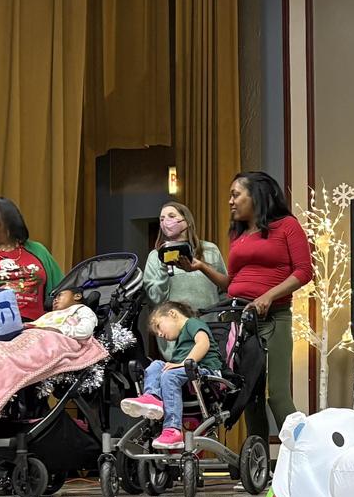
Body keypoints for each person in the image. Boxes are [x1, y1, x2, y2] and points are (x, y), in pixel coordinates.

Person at [182, 171, 310, 440]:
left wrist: (269, 296)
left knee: (276, 393)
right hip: (240, 320)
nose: (230, 201)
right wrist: (201, 267)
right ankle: (257, 467)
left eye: (236, 194)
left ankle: (305, 455)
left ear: (257, 196)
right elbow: (232, 283)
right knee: (249, 392)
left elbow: (303, 271)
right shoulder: (239, 236)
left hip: (274, 318)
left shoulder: (287, 226)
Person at [122, 301, 225, 451]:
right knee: (157, 365)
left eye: (158, 327)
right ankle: (152, 398)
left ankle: (173, 429)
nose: (160, 335)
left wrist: (183, 363)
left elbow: (203, 343)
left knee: (168, 375)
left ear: (172, 314)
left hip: (206, 373)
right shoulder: (181, 340)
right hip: (188, 375)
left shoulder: (192, 323)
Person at [143, 199, 226, 310]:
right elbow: (155, 299)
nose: (165, 221)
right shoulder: (155, 256)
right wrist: (164, 268)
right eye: (162, 219)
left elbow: (224, 290)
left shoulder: (210, 250)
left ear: (187, 221)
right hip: (175, 324)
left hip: (210, 322)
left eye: (171, 216)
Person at [29, 286, 98, 339]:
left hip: (59, 341)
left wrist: (59, 330)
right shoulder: (49, 315)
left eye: (59, 295)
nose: (55, 300)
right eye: (53, 299)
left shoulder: (82, 310)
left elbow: (85, 330)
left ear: (77, 296)